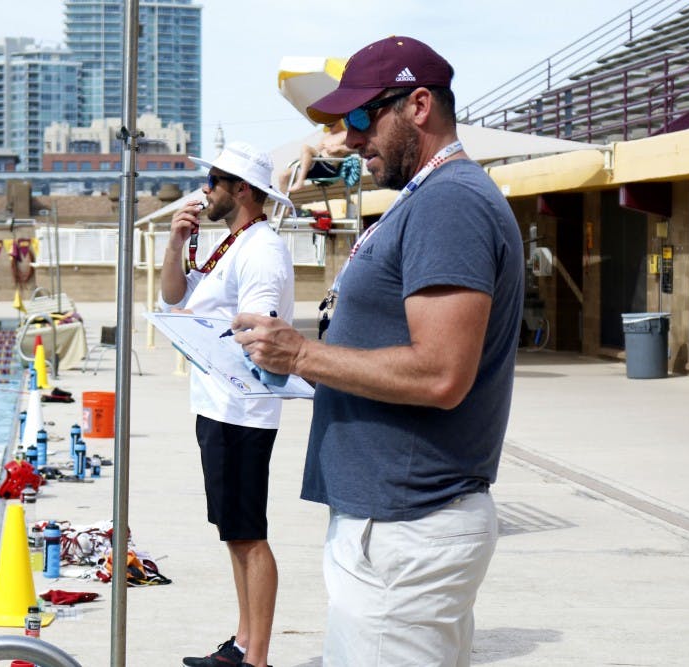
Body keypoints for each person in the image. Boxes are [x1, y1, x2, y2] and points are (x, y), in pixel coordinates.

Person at [232, 36, 524, 666]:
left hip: (408, 526)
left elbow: (442, 373)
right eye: (341, 124)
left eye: (362, 117)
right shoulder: (426, 201)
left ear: (419, 105)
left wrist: (302, 356)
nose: (350, 138)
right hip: (394, 523)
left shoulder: (450, 205)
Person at [161, 141, 295, 667]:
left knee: (249, 533)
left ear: (242, 189)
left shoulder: (261, 249)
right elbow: (176, 296)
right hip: (216, 407)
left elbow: (260, 330)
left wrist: (207, 333)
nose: (205, 190)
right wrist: (175, 244)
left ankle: (256, 658)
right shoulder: (232, 244)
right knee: (233, 532)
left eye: (214, 180)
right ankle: (242, 642)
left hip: (243, 411)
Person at [276, 119, 352, 193]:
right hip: (316, 166)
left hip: (328, 168)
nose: (328, 125)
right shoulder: (326, 136)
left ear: (338, 120)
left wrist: (340, 148)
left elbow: (357, 149)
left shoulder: (346, 134)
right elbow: (315, 150)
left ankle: (300, 182)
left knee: (305, 147)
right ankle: (286, 205)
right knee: (283, 176)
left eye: (330, 123)